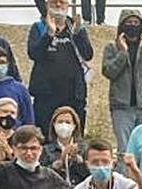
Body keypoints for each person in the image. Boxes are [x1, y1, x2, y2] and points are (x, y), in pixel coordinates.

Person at [26, 0, 94, 130]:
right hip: (46, 96)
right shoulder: (38, 27)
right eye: (54, 2)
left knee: (75, 138)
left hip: (74, 95)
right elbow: (33, 54)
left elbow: (88, 55)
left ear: (68, 5)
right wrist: (49, 35)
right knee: (45, 137)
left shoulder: (76, 27)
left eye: (62, 2)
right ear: (47, 5)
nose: (58, 5)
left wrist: (78, 34)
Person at [104, 9, 142, 154]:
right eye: (129, 22)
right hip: (121, 107)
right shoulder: (112, 47)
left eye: (136, 22)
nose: (133, 25)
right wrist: (122, 53)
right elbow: (109, 72)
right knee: (125, 150)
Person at [41, 106, 90, 183]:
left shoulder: (85, 148)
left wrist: (77, 161)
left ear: (74, 125)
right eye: (60, 122)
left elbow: (89, 176)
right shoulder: (45, 150)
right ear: (54, 125)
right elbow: (41, 176)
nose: (64, 125)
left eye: (68, 122)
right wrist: (59, 164)